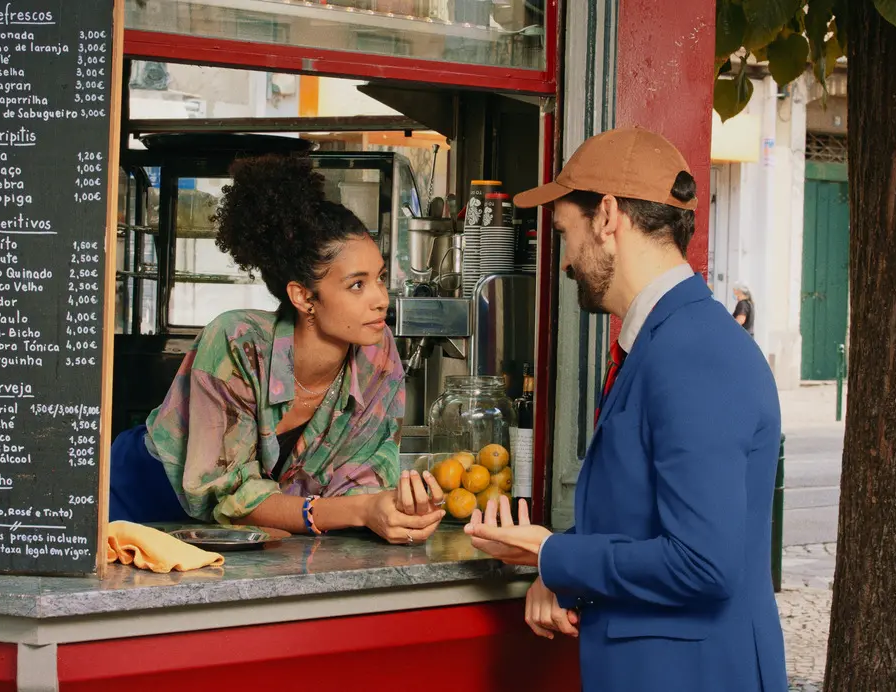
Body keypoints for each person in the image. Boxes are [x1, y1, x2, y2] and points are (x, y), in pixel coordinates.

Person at [463, 126, 788, 691]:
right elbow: (641, 525)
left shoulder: (692, 353)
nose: (564, 262)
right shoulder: (669, 340)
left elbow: (702, 564)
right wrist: (561, 575)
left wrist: (553, 554)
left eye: (565, 232)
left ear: (608, 216)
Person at [109, 152, 446, 545]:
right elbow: (232, 498)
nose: (380, 299)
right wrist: (361, 510)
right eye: (357, 284)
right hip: (141, 507)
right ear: (304, 297)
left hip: (258, 535)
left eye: (381, 278)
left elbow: (364, 476)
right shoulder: (236, 341)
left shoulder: (377, 351)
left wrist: (397, 508)